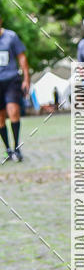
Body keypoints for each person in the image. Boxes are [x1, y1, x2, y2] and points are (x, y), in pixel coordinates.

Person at [0, 18, 30, 162]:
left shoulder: (11, 37)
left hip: (11, 79)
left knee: (13, 111)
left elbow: (22, 58)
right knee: (0, 119)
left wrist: (26, 78)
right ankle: (8, 149)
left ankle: (17, 147)